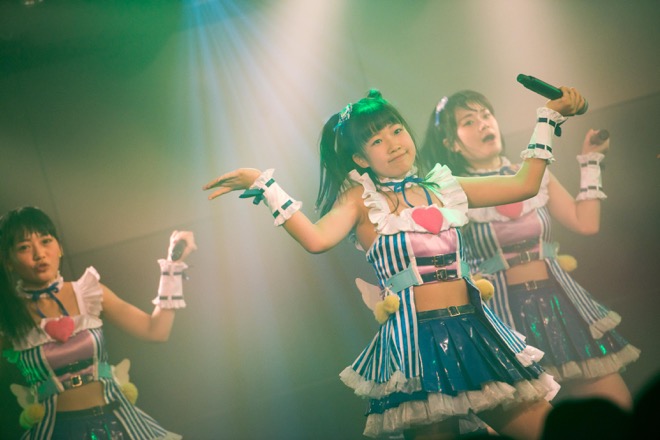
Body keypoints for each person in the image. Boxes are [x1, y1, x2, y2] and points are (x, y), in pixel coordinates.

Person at [203, 88, 584, 439]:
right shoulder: (360, 200)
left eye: (397, 130)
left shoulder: (444, 187)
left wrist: (548, 118)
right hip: (417, 347)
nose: (394, 143)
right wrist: (265, 186)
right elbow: (316, 240)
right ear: (360, 158)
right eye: (376, 141)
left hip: (475, 333)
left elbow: (524, 184)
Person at [420, 90, 640, 411]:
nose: (483, 124)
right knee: (532, 417)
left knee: (617, 406)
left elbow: (585, 222)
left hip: (559, 303)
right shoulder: (451, 190)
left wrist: (591, 160)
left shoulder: (533, 174)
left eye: (486, 115)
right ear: (451, 143)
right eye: (469, 121)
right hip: (502, 317)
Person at [0, 206, 196, 439]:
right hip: (56, 431)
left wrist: (173, 268)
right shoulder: (9, 316)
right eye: (24, 247)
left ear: (59, 248)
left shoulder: (89, 292)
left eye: (46, 241)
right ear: (8, 261)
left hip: (119, 421)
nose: (39, 254)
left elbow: (155, 331)